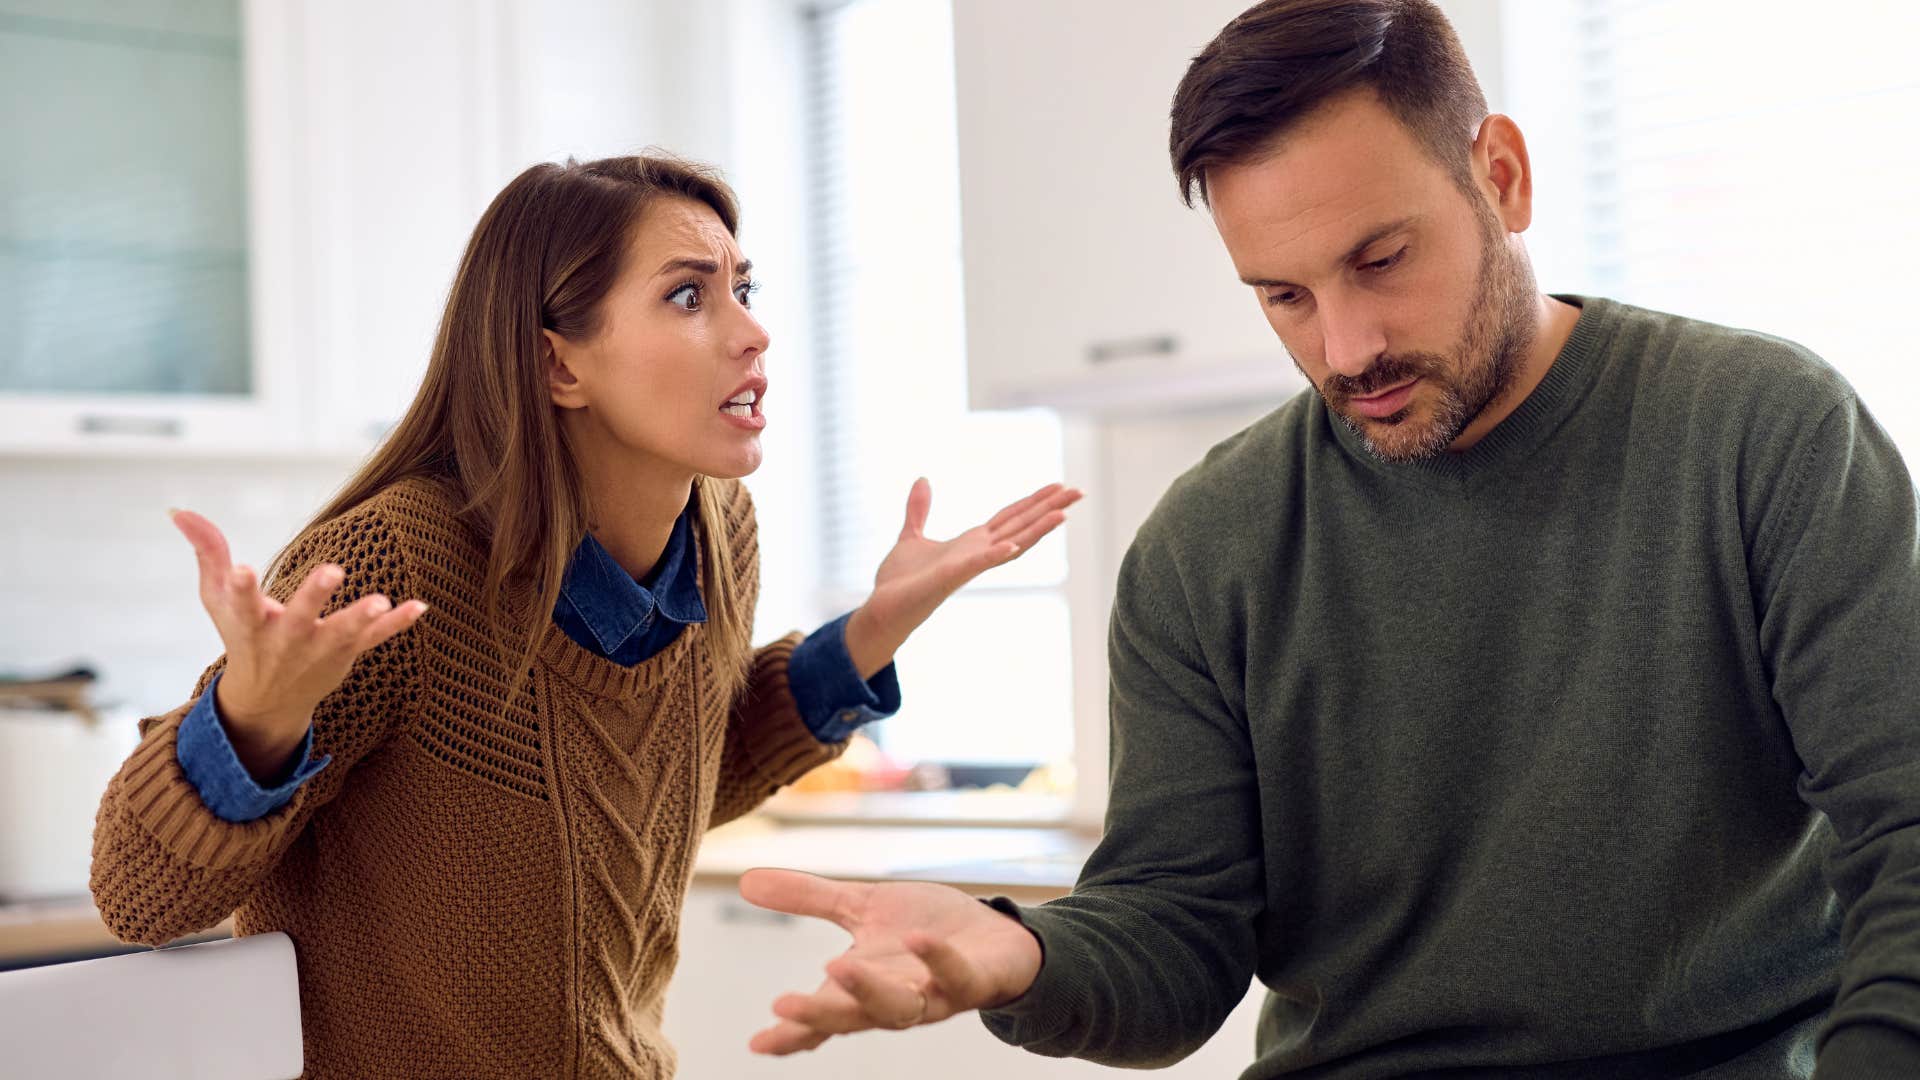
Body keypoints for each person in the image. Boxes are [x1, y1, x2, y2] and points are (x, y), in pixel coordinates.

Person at [736, 2, 1920, 1076]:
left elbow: (1906, 831)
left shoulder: (1760, 430)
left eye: (1381, 261)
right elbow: (1173, 934)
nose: (1346, 348)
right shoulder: (1209, 547)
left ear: (1500, 177)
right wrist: (1018, 955)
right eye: (1283, 296)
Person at [87, 153, 1081, 1078]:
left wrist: (871, 633)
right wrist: (255, 719)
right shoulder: (396, 568)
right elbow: (139, 899)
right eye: (689, 295)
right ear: (560, 366)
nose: (751, 330)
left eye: (745, 288)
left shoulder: (718, 529)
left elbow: (652, 792)